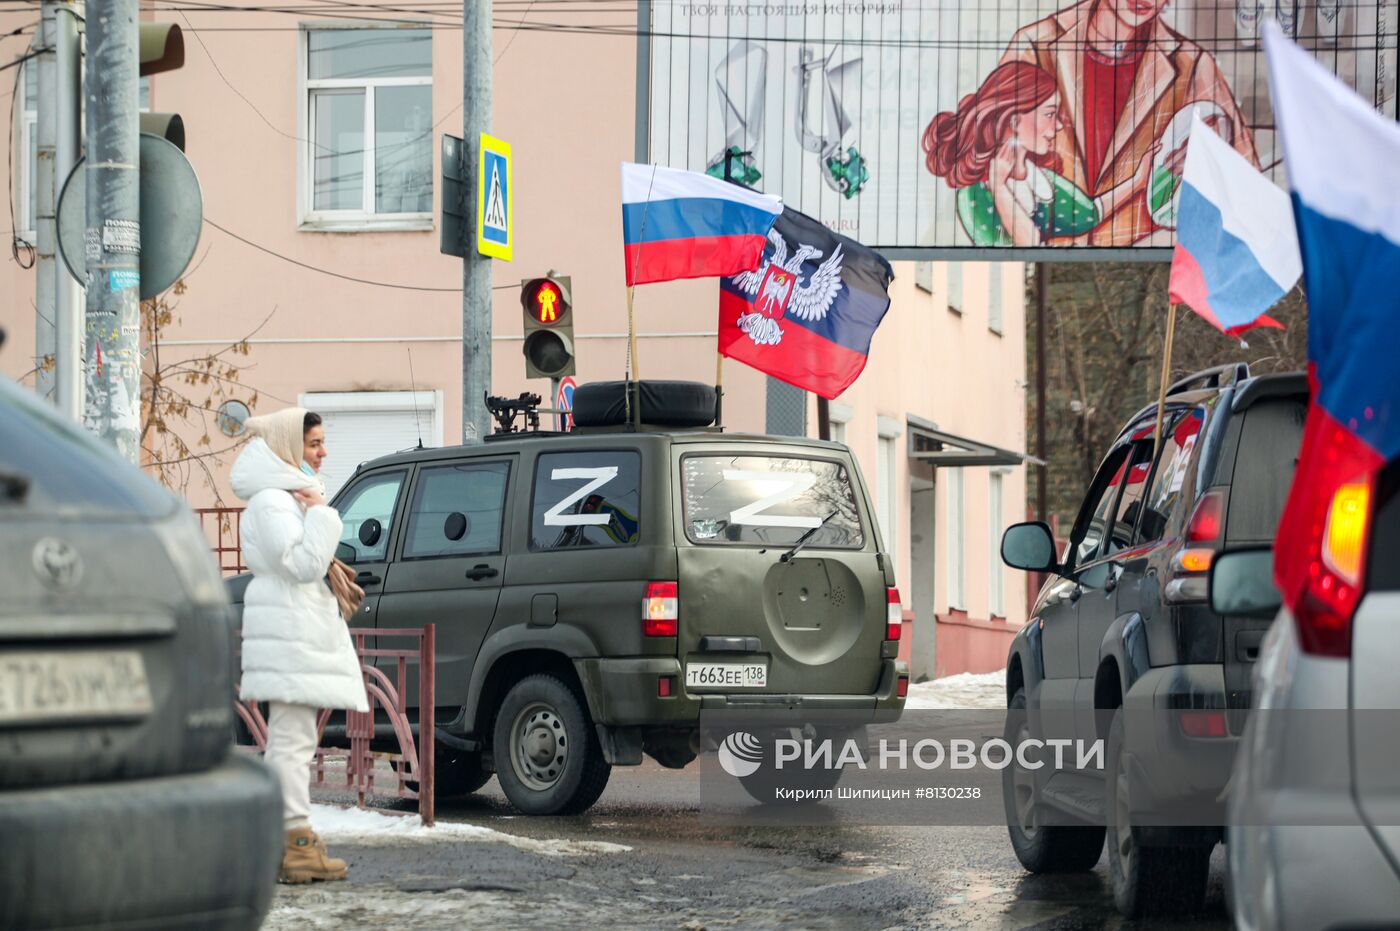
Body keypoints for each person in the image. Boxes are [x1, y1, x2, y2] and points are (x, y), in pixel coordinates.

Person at [230, 407, 367, 884]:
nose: (323, 452)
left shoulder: (284, 497)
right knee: (290, 743)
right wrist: (322, 516)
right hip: (288, 632)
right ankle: (294, 845)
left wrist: (312, 510)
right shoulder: (272, 502)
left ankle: (291, 841)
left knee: (295, 741)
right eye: (313, 444)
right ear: (290, 447)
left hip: (293, 629)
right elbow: (304, 565)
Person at [997, 0, 1258, 245]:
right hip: (1048, 260)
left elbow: (1246, 183)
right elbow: (986, 158)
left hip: (1141, 266)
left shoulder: (1191, 65)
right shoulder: (1036, 45)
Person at [923, 61, 1159, 247]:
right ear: (1014, 120)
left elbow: (1091, 213)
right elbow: (1026, 245)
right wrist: (999, 186)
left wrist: (1138, 180)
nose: (1057, 126)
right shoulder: (975, 193)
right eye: (1049, 114)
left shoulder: (1041, 180)